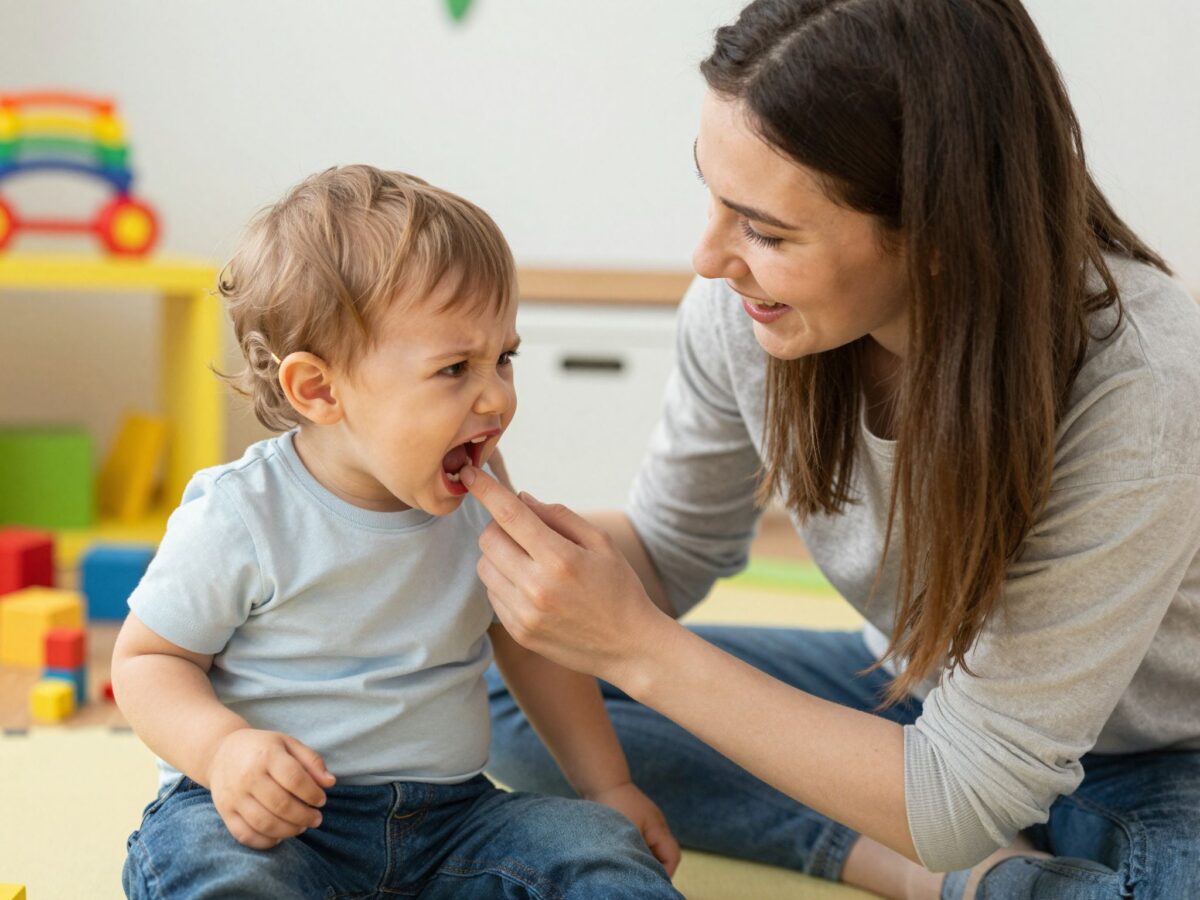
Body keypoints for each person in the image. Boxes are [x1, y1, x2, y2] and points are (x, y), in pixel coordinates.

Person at [469, 2, 1200, 898]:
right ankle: (948, 873)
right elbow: (668, 553)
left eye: (766, 232)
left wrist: (631, 647)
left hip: (1164, 757)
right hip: (919, 707)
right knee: (519, 698)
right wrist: (505, 566)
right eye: (714, 195)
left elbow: (965, 786)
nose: (707, 258)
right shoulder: (748, 319)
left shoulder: (1147, 381)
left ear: (939, 236)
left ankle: (980, 858)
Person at [111, 165, 682, 899]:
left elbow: (534, 640)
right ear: (319, 390)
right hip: (271, 826)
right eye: (455, 367)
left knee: (595, 849)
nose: (497, 395)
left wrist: (607, 787)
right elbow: (147, 662)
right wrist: (222, 753)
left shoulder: (485, 493)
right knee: (206, 861)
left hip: (451, 822)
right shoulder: (241, 514)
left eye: (504, 358)